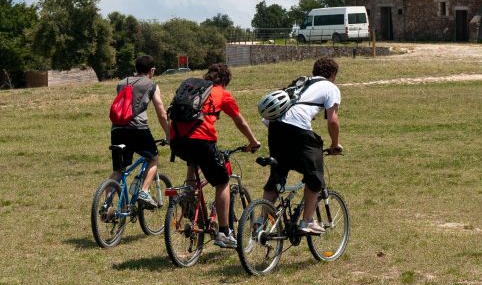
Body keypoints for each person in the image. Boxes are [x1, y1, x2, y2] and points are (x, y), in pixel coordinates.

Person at [170, 63, 260, 248]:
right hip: (201, 138)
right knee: (222, 181)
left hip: (177, 138)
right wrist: (253, 141)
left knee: (193, 159)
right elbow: (239, 121)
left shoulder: (193, 89)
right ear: (225, 80)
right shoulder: (222, 93)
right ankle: (224, 232)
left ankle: (189, 192)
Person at [261, 57, 342, 235]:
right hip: (297, 128)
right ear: (333, 74)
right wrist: (335, 144)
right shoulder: (330, 87)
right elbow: (333, 120)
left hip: (275, 127)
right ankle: (307, 222)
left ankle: (259, 222)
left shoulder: (298, 83)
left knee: (277, 174)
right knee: (315, 175)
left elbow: (268, 119)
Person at [108, 55, 169, 209]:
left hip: (117, 129)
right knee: (153, 158)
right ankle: (144, 191)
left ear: (136, 68)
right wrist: (169, 134)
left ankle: (106, 206)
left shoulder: (122, 83)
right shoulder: (151, 84)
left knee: (118, 170)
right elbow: (161, 112)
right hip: (137, 129)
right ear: (152, 70)